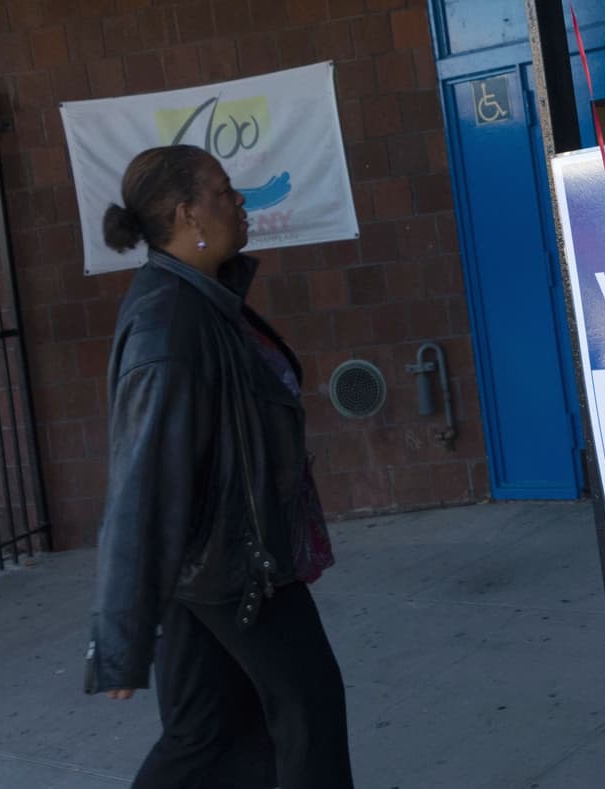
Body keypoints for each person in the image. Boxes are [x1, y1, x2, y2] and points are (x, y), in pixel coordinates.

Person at [83, 144, 352, 788]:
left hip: (212, 562)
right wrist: (121, 637)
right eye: (224, 190)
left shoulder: (201, 298)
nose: (240, 201)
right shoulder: (168, 324)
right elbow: (141, 483)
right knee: (309, 709)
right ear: (186, 214)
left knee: (207, 730)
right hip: (235, 567)